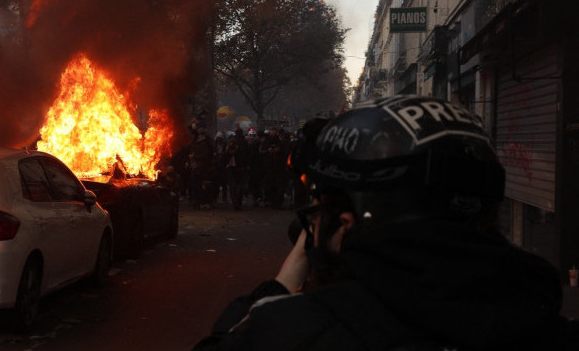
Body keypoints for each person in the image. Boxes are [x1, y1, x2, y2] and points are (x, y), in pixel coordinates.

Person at [195, 95, 579, 350]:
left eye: (323, 209)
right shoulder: (547, 325)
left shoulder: (290, 331)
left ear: (345, 223)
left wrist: (279, 285)